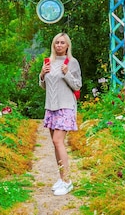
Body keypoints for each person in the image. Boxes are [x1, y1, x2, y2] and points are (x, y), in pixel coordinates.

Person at [39, 32, 82, 196]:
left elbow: (77, 86)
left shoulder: (71, 62)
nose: (59, 45)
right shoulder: (48, 62)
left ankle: (67, 181)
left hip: (66, 106)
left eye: (62, 43)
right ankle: (62, 177)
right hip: (51, 107)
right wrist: (42, 74)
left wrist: (66, 73)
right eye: (57, 42)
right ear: (53, 45)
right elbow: (44, 86)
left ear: (67, 45)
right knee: (55, 144)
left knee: (58, 141)